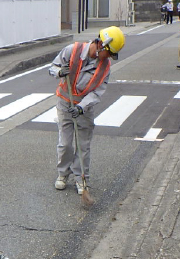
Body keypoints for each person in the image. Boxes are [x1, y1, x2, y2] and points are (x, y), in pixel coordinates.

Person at [49, 26, 125, 194]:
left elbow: (97, 92)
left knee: (83, 145)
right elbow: (52, 67)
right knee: (65, 144)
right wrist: (60, 71)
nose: (109, 57)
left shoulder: (105, 67)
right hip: (64, 103)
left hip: (84, 109)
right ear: (100, 45)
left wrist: (81, 107)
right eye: (109, 53)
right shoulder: (73, 50)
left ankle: (82, 179)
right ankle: (63, 174)